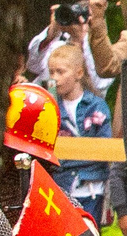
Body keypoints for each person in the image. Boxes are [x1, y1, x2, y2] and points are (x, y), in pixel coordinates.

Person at [42, 42, 112, 225]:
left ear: (79, 73)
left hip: (90, 187)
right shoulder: (49, 108)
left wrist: (69, 158)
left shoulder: (96, 106)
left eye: (60, 72)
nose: (55, 78)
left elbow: (104, 149)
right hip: (59, 187)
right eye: (51, 72)